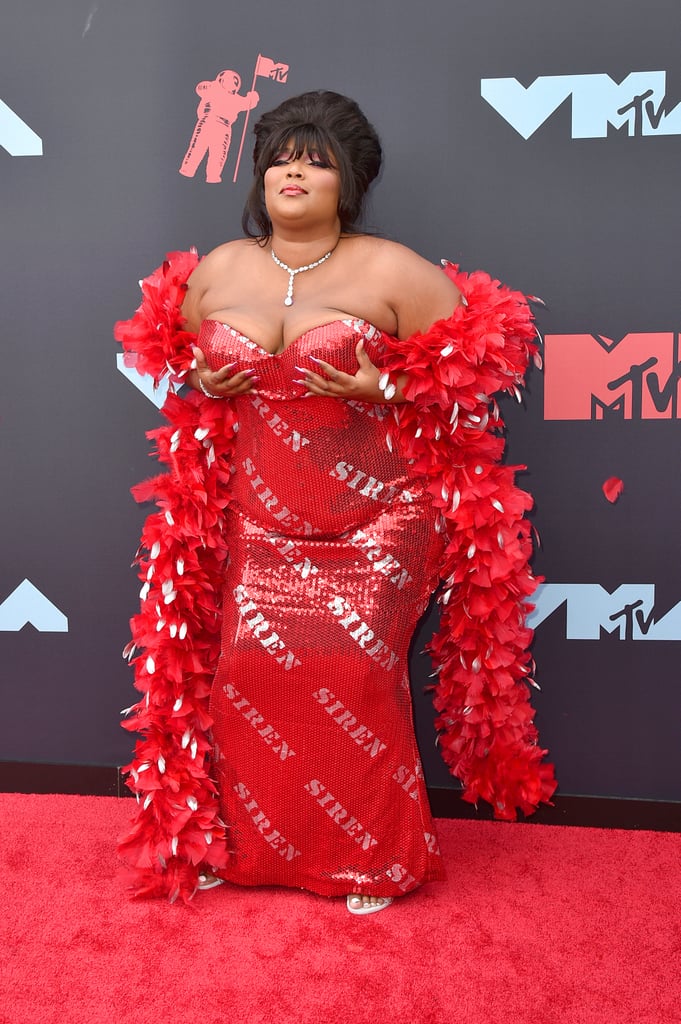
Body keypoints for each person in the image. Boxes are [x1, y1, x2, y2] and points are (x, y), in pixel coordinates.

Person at [116, 91, 556, 911]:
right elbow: (173, 357)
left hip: (376, 517)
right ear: (260, 173)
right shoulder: (220, 267)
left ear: (348, 182)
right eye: (282, 154)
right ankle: (244, 853)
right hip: (260, 513)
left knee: (352, 674)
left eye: (316, 159)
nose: (294, 169)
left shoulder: (389, 267)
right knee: (243, 673)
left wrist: (387, 383)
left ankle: (371, 861)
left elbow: (493, 358)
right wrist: (203, 377)